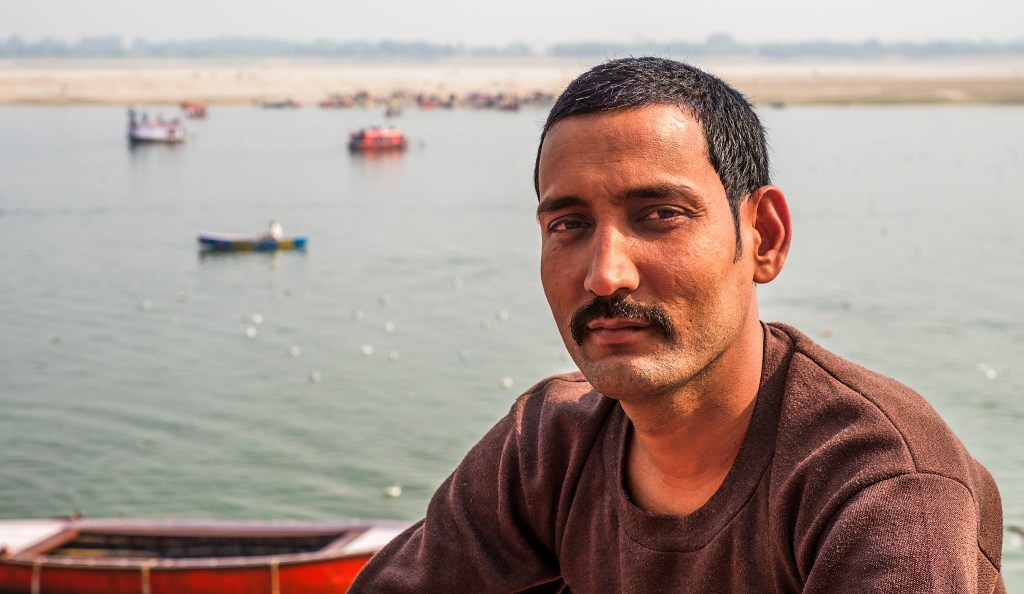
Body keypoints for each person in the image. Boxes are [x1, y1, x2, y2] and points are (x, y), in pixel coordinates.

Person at [351, 57, 1005, 592]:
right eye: (568, 225)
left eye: (660, 215)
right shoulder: (549, 447)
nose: (606, 275)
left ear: (764, 236)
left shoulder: (877, 482)